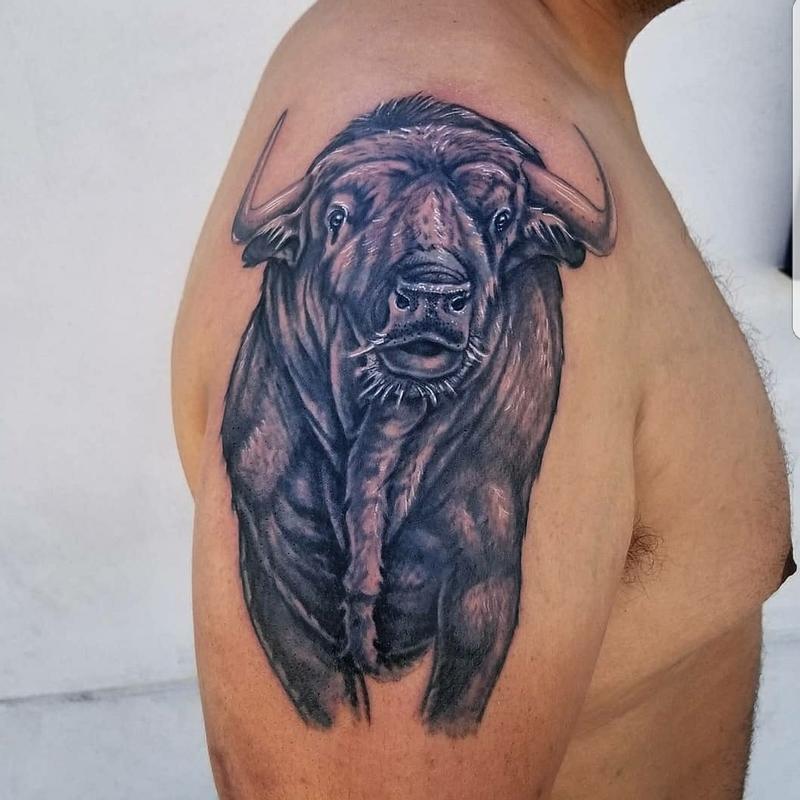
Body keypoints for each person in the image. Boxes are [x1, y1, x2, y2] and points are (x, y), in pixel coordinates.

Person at [172, 1, 794, 797]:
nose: (435, 268)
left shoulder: (542, 71)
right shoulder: (461, 78)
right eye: (351, 217)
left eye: (489, 216)